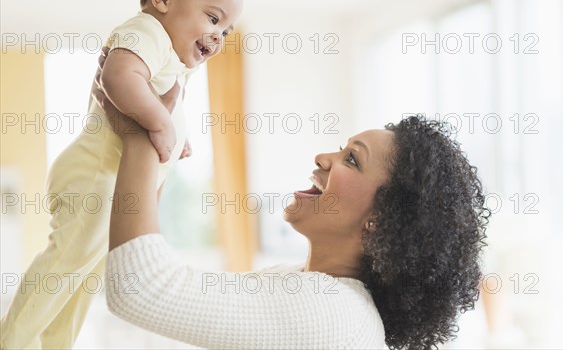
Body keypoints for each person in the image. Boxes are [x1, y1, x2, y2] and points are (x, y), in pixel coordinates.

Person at [95, 71, 492, 349]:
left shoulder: (331, 313)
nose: (323, 157)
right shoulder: (299, 285)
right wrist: (158, 145)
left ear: (383, 219)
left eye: (352, 160)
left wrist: (138, 137)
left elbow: (141, 288)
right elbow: (166, 280)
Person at [0, 0, 243, 349]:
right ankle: (11, 340)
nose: (218, 36)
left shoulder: (173, 58)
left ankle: (55, 343)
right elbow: (119, 76)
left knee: (81, 277)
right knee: (63, 267)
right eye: (213, 18)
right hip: (94, 176)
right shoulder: (147, 31)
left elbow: (159, 98)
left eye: (228, 31)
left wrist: (178, 134)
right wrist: (163, 124)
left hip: (111, 188)